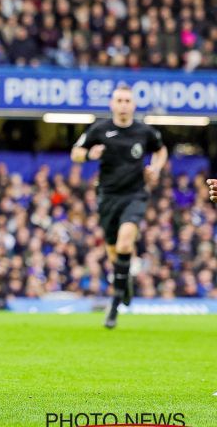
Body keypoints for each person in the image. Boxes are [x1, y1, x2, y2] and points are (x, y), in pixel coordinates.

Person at [71, 84, 167, 329]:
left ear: (133, 105)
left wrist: (154, 169)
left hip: (135, 194)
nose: (123, 105)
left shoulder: (144, 131)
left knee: (126, 242)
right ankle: (125, 284)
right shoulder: (100, 129)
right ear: (112, 104)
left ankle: (114, 304)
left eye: (127, 100)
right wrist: (89, 155)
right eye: (119, 100)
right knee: (115, 253)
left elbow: (161, 150)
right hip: (107, 197)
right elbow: (76, 153)